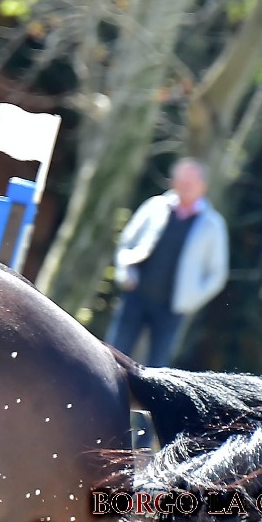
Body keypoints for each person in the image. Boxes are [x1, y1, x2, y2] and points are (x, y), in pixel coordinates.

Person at [106, 158, 229, 368]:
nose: (186, 186)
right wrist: (125, 274)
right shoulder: (154, 206)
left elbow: (217, 274)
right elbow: (127, 241)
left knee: (158, 368)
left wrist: (191, 299)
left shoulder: (213, 225)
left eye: (191, 182)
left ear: (203, 186)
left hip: (172, 308)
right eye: (182, 181)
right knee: (112, 355)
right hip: (135, 295)